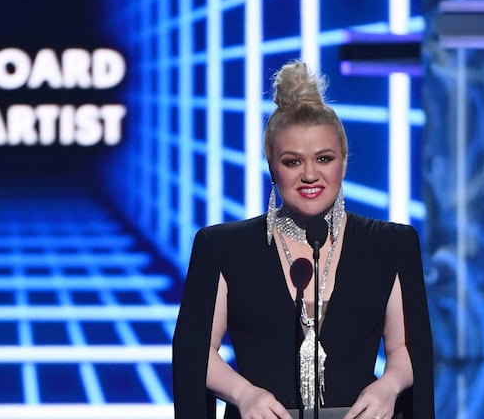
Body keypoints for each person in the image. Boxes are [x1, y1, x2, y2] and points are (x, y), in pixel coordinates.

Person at [171, 59, 434, 419]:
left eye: (323, 158)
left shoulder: (390, 246)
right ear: (272, 168)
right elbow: (195, 351)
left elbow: (406, 348)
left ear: (343, 162)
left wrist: (388, 387)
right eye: (293, 162)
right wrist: (244, 395)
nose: (310, 174)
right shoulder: (222, 248)